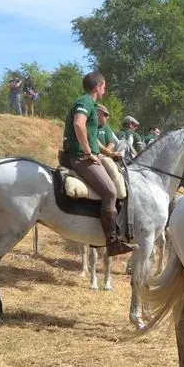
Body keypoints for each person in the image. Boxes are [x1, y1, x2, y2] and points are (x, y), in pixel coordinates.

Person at [61, 71, 135, 257]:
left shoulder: (91, 105)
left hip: (89, 155)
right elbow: (79, 125)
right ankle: (111, 242)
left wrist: (109, 153)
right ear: (97, 86)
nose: (105, 89)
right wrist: (87, 152)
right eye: (104, 86)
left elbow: (93, 137)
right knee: (110, 191)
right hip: (81, 158)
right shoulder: (85, 102)